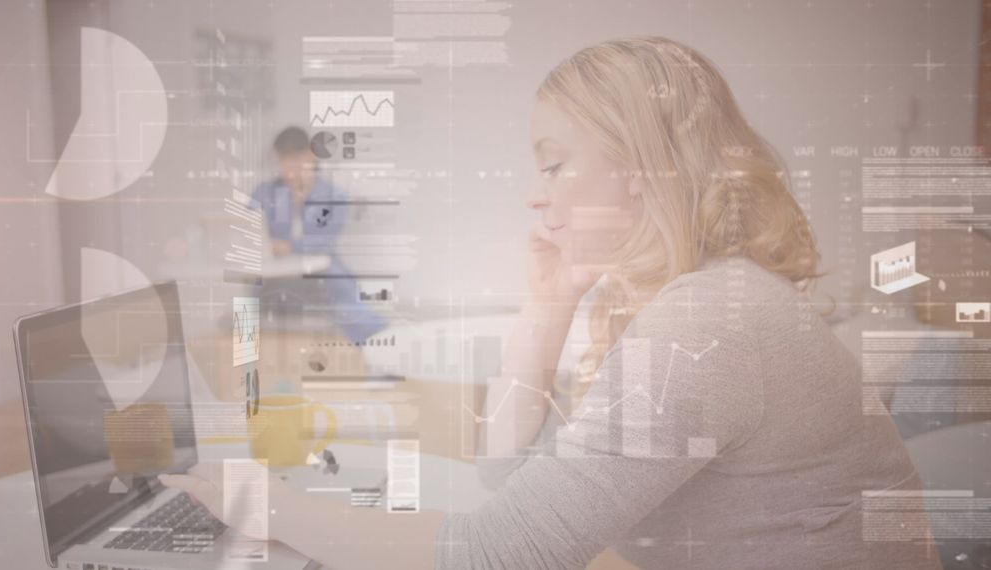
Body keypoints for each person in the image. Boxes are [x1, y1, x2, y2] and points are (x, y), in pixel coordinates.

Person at [163, 38, 941, 569]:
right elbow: (509, 477)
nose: (536, 196)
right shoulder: (697, 298)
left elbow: (502, 554)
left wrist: (273, 510)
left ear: (643, 167)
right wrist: (548, 306)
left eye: (557, 164)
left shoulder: (708, 323)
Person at [249, 126, 385, 343]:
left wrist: (289, 247)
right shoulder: (265, 192)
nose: (289, 167)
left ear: (311, 155)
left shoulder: (333, 196)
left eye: (295, 158)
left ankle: (383, 346)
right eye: (283, 160)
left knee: (350, 308)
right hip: (276, 275)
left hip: (321, 272)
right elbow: (246, 229)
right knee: (250, 309)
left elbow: (321, 243)